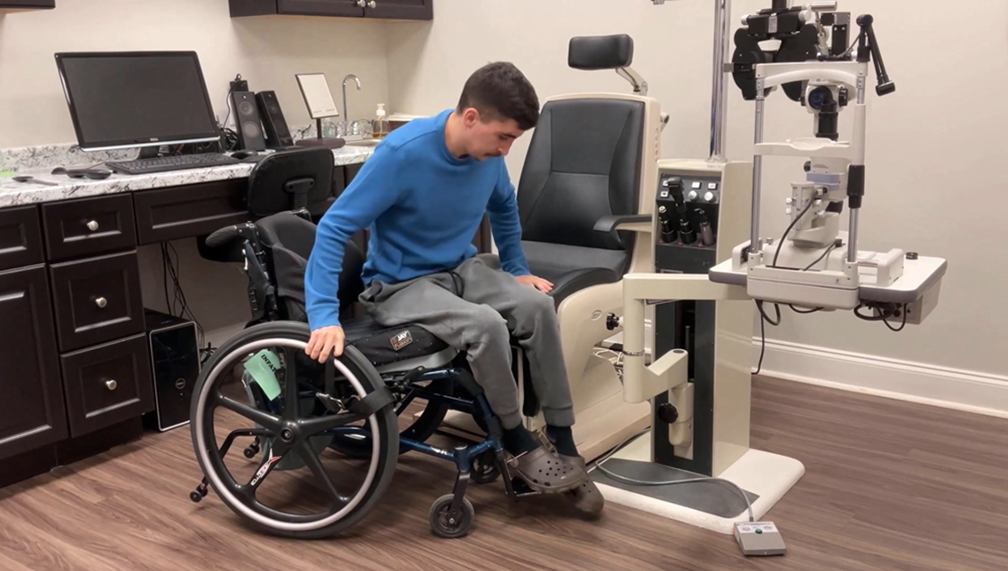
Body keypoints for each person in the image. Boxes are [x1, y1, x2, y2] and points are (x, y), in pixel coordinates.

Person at [303, 62, 603, 517]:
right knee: (484, 325)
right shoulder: (402, 153)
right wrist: (323, 316)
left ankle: (563, 441)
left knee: (538, 306)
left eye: (513, 141)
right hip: (399, 285)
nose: (506, 150)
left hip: (461, 268)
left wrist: (517, 269)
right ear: (470, 118)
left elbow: (504, 207)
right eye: (502, 137)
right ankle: (515, 442)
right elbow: (333, 227)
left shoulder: (488, 159)